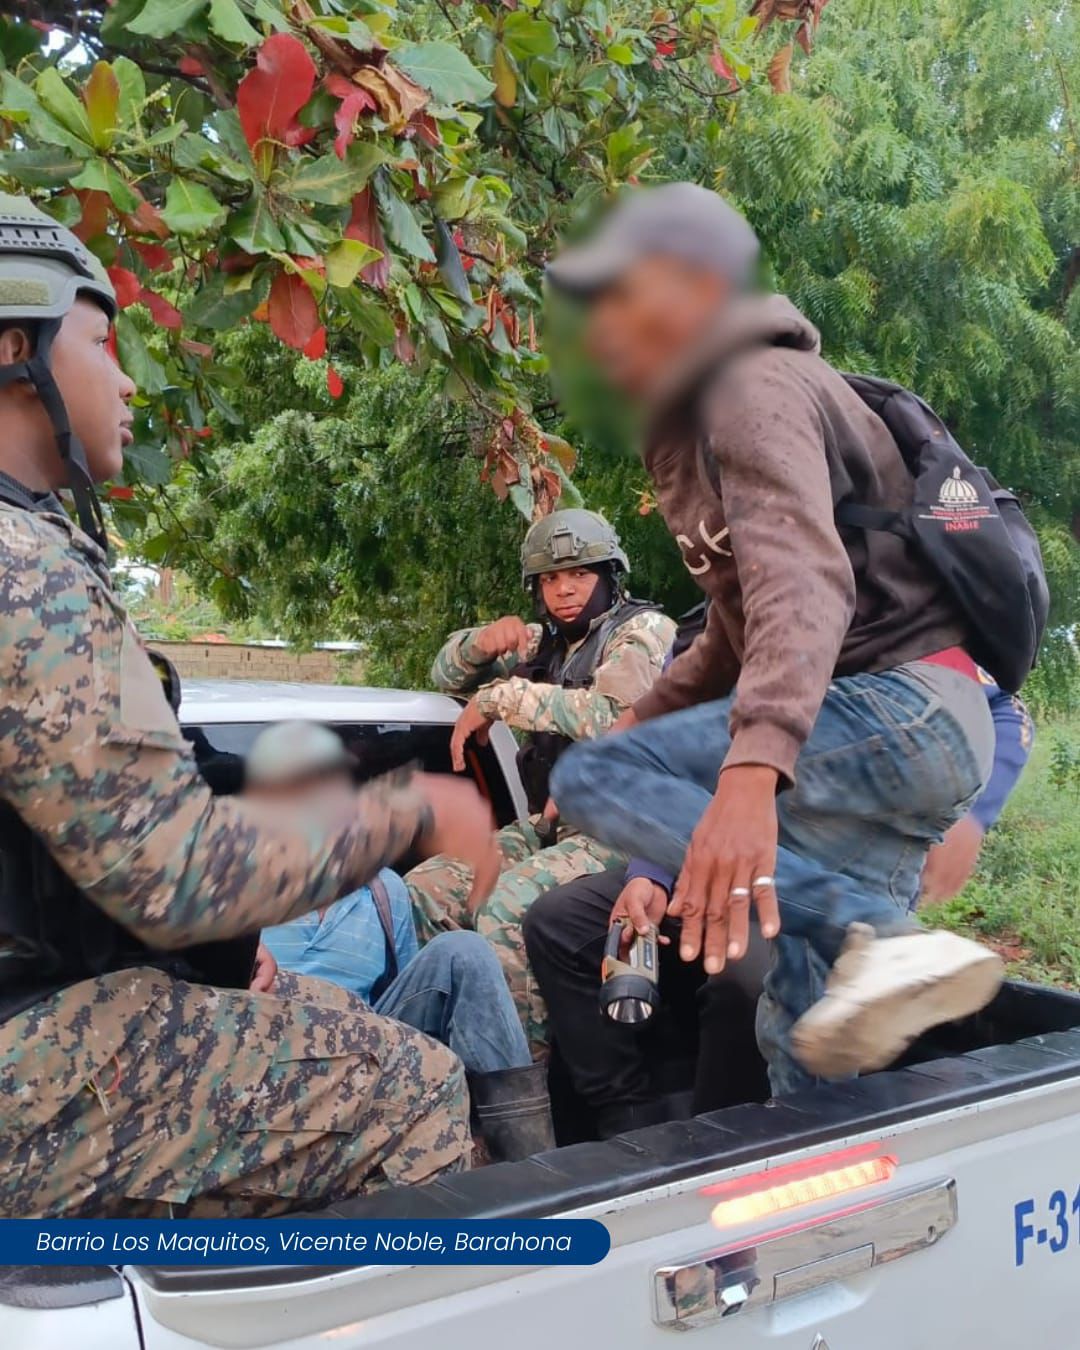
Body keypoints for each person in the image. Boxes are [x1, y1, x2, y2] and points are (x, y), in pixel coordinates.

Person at [0, 193, 501, 1218]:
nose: (126, 381)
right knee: (413, 1090)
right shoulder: (23, 568)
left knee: (322, 1022)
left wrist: (223, 953)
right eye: (100, 343)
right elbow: (180, 876)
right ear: (16, 348)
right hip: (24, 1058)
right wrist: (409, 812)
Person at [544, 182, 1007, 1096]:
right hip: (895, 729)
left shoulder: (749, 385)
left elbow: (805, 582)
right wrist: (645, 715)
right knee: (811, 1031)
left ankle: (881, 931)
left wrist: (750, 773)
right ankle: (867, 998)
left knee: (592, 778)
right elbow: (735, 625)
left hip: (897, 706)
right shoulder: (686, 429)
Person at [526, 661, 1035, 1130]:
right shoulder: (709, 632)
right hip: (709, 849)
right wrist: (649, 872)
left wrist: (976, 816)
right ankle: (631, 1126)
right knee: (559, 920)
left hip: (797, 864)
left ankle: (722, 1140)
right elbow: (675, 751)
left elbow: (1005, 708)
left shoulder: (877, 640)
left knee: (743, 981)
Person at [406, 508, 675, 1053]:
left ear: (610, 575)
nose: (565, 590)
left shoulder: (645, 632)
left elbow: (611, 714)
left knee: (506, 908)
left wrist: (500, 698)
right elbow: (444, 674)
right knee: (428, 889)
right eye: (550, 579)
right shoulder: (549, 642)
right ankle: (446, 1053)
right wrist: (481, 643)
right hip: (554, 826)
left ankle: (523, 1075)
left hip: (624, 832)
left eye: (580, 573)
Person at [246, 721, 555, 1163]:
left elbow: (411, 1011)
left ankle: (532, 1166)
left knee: (464, 951)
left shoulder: (383, 890)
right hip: (266, 1066)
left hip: (363, 1056)